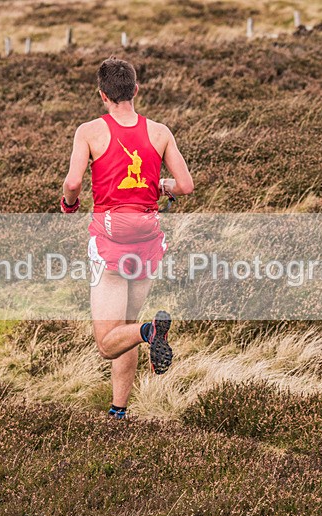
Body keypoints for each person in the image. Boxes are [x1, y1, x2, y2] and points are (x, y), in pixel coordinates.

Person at [60, 57, 194, 419]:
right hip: (148, 242)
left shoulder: (89, 132)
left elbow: (73, 183)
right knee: (127, 328)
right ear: (135, 90)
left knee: (108, 343)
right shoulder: (160, 132)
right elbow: (186, 185)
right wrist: (161, 185)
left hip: (111, 243)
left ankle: (152, 331)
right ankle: (119, 411)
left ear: (102, 94)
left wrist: (68, 204)